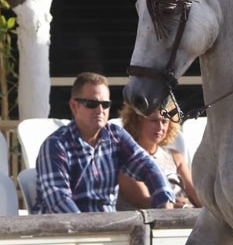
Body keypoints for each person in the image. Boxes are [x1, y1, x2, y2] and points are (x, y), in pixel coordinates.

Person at [33, 72, 174, 213]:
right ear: (74, 106)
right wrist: (90, 231)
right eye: (91, 104)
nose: (100, 110)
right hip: (63, 230)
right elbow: (58, 200)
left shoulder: (115, 136)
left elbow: (148, 166)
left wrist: (164, 201)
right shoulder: (55, 145)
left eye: (105, 104)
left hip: (107, 227)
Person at [116, 103, 201, 209]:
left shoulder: (176, 158)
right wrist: (183, 206)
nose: (160, 127)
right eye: (154, 121)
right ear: (137, 122)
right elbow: (145, 202)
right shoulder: (125, 161)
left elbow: (198, 197)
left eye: (165, 121)